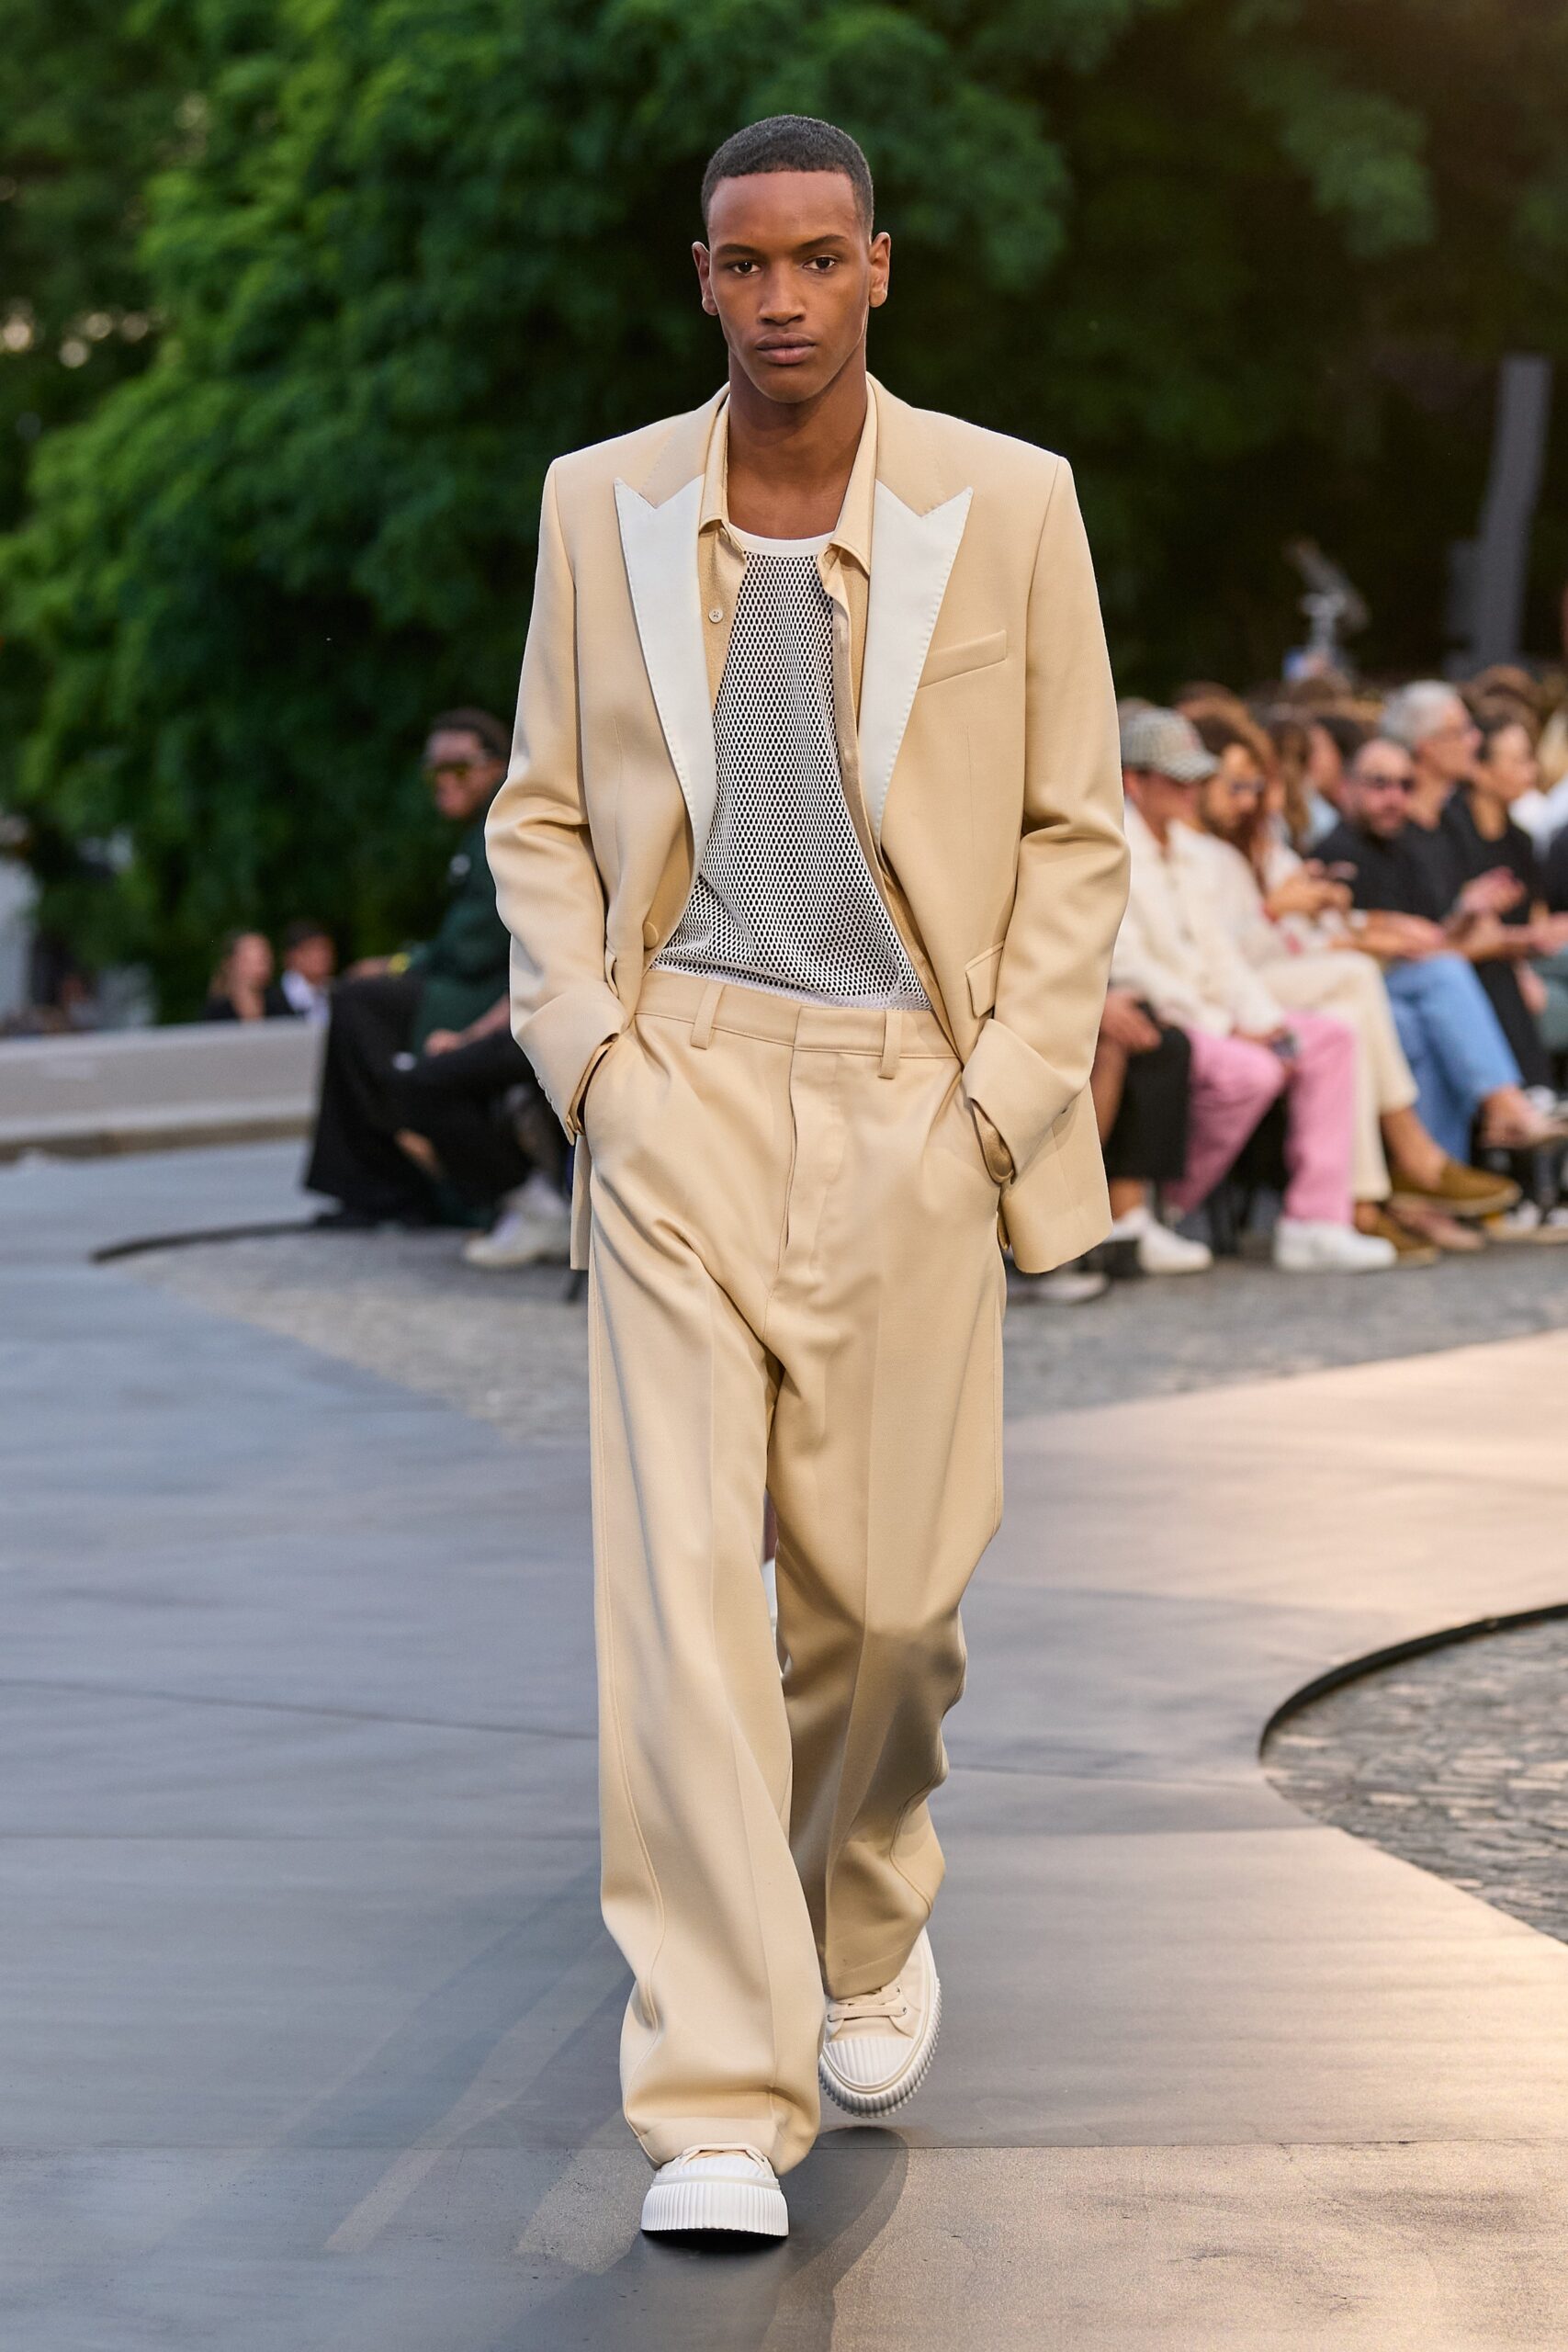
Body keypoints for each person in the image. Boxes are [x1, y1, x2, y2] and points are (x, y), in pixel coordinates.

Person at [485, 114, 1129, 2240]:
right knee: (676, 1603)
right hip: (679, 1082)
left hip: (906, 1103)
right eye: (738, 262)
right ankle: (709, 2096)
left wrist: (989, 1109)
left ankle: (863, 1910)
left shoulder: (1006, 503)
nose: (775, 295)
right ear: (698, 276)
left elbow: (1068, 831)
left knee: (879, 1611)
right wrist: (595, 1063)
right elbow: (544, 812)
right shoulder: (600, 504)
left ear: (876, 267)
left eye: (812, 258)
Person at [1190, 711, 1514, 1258]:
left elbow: (1298, 929)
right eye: (1238, 784)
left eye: (1256, 784)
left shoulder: (1253, 846)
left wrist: (1347, 920)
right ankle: (1417, 1157)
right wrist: (1286, 915)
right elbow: (1218, 955)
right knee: (1376, 983)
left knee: (1354, 1018)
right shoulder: (1196, 852)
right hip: (1233, 993)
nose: (1251, 798)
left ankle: (1361, 1203)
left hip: (1271, 980)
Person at [1112, 706, 1393, 1272]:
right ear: (1133, 782)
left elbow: (1220, 953)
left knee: (1332, 1039)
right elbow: (1131, 966)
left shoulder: (1191, 854)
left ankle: (1316, 1219)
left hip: (1213, 1011)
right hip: (1170, 1015)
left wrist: (1262, 1021)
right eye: (1178, 778)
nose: (1192, 790)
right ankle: (1162, 1205)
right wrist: (1234, 1027)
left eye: (1196, 777)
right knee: (1254, 1070)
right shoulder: (1115, 851)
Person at [303, 709, 514, 1223]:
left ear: (497, 766)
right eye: (434, 770)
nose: (443, 781)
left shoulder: (505, 826)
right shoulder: (483, 829)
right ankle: (382, 1177)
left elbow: (473, 946)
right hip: (476, 982)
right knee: (358, 1003)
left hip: (490, 990)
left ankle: (392, 1177)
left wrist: (400, 964)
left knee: (360, 1006)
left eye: (458, 768)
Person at [1316, 735, 1564, 1159]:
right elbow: (1330, 943)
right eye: (1379, 784)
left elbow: (1434, 936)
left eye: (1404, 785)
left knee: (1430, 1015)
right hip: (1356, 986)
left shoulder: (1405, 848)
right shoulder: (1335, 853)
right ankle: (1508, 1103)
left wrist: (1467, 911)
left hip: (1407, 985)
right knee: (1447, 980)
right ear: (1348, 787)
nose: (1394, 798)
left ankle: (1438, 1190)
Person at [201, 930, 290, 1022]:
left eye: (264, 959)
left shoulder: (278, 1002)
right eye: (250, 960)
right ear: (230, 962)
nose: (261, 965)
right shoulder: (217, 1010)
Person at [277, 920, 336, 1023]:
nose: (322, 956)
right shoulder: (275, 998)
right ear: (292, 956)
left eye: (325, 949)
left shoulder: (334, 991)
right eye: (313, 949)